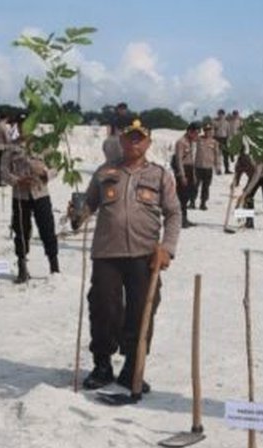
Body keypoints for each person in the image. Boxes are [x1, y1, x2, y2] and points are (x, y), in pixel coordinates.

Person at [74, 119, 181, 394]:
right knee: (103, 308)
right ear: (120, 141)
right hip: (107, 253)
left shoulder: (160, 175)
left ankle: (133, 368)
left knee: (142, 311)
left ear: (148, 143)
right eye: (129, 137)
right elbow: (89, 204)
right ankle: (102, 365)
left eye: (139, 138)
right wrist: (77, 213)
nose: (134, 142)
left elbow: (173, 214)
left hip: (145, 255)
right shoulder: (104, 172)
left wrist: (166, 248)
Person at [3, 131, 59, 283]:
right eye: (21, 126)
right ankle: (22, 267)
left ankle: (54, 267)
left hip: (40, 193)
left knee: (47, 229)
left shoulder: (43, 144)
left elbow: (56, 166)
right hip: (20, 196)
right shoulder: (11, 147)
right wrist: (17, 181)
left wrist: (46, 176)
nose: (24, 129)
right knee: (21, 230)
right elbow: (3, 171)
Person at [172, 124, 199, 227]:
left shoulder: (191, 142)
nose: (196, 135)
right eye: (195, 133)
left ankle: (185, 218)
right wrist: (182, 175)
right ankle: (180, 219)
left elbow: (191, 158)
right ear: (189, 132)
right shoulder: (181, 142)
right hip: (183, 169)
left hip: (190, 168)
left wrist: (194, 175)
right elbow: (179, 160)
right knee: (182, 195)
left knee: (190, 193)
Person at [194, 122, 220, 211]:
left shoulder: (214, 142)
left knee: (206, 186)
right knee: (195, 185)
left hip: (208, 168)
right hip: (198, 167)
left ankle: (203, 203)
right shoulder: (198, 140)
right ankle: (192, 201)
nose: (208, 132)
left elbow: (217, 155)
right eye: (206, 130)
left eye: (210, 130)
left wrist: (218, 166)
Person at [213, 109, 231, 174]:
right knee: (218, 155)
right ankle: (218, 170)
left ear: (224, 115)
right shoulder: (215, 122)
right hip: (217, 139)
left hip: (224, 139)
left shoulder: (227, 123)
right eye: (219, 114)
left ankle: (227, 169)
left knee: (226, 155)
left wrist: (228, 140)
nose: (221, 116)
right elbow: (212, 131)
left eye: (222, 114)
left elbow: (228, 132)